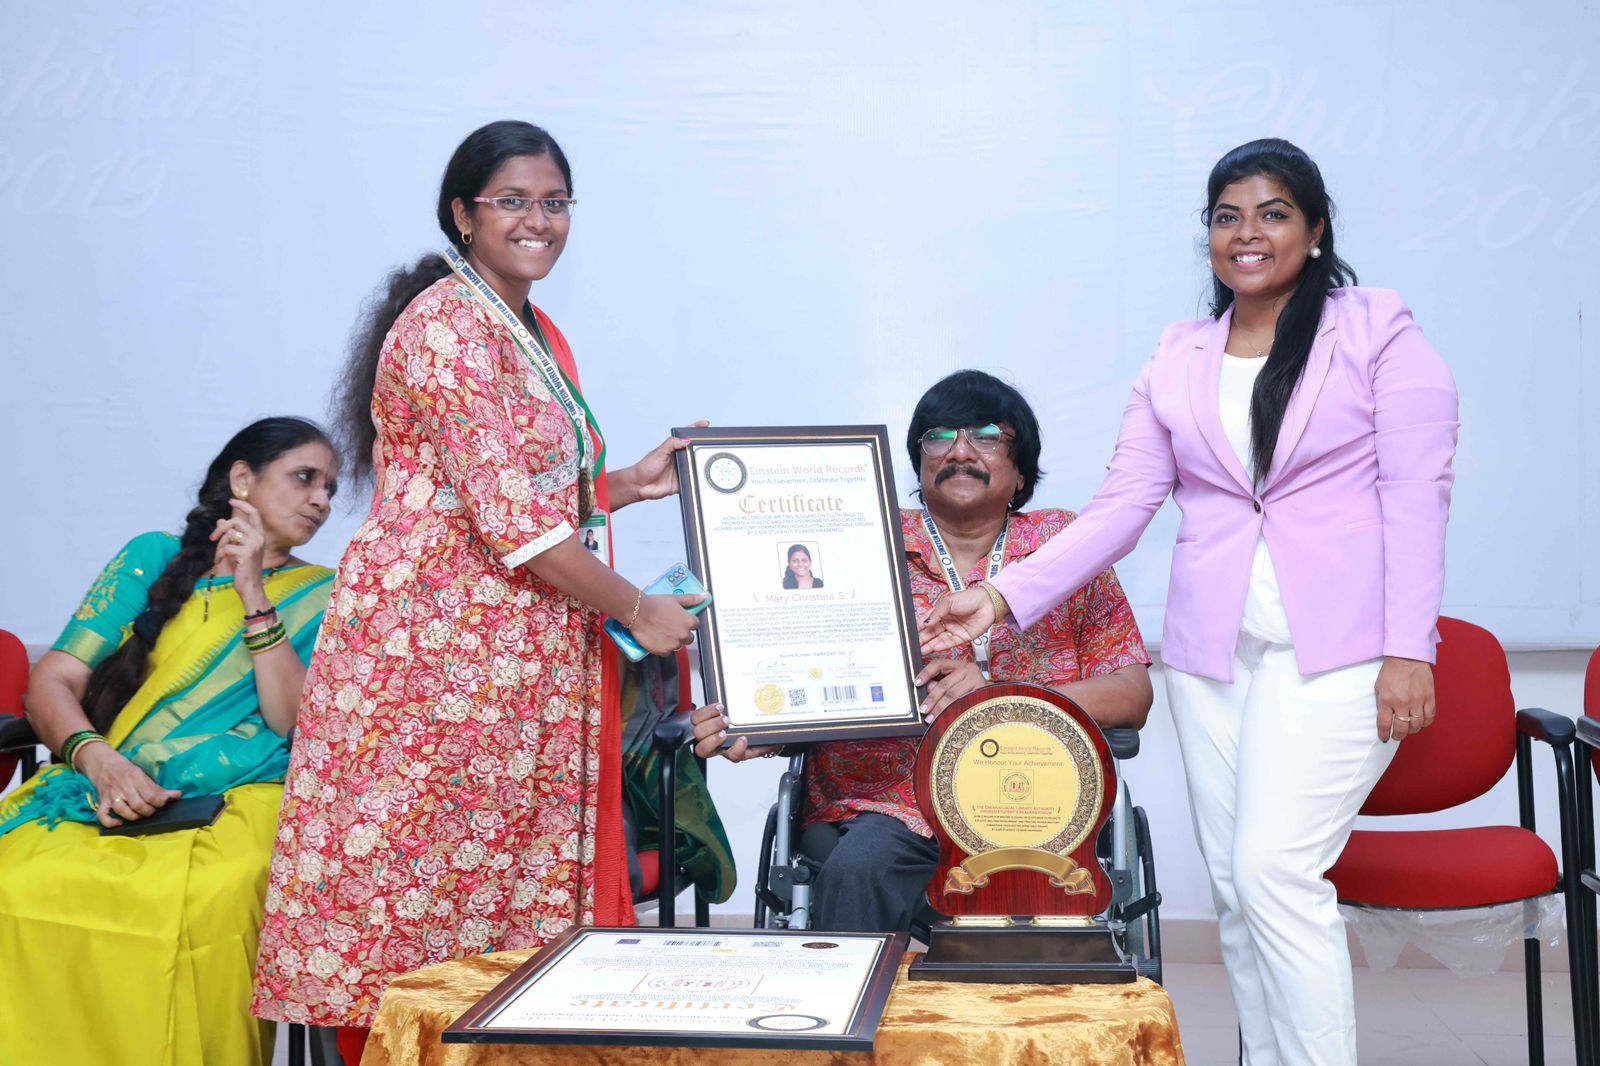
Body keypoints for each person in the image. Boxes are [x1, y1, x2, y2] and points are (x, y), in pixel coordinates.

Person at [922, 139, 1457, 1065]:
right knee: (1239, 896)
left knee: (1276, 872)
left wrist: (1413, 648)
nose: (1247, 234)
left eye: (1273, 213)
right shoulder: (1181, 355)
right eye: (1227, 216)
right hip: (1217, 658)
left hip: (1341, 648)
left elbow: (1419, 494)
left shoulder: (1378, 331)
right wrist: (999, 598)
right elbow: (1125, 504)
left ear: (1316, 229)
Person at [249, 120, 705, 1064]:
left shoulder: (524, 326)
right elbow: (510, 519)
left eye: (554, 202)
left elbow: (507, 489)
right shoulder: (449, 329)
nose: (538, 220)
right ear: (463, 214)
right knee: (413, 903)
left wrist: (631, 482)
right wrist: (633, 607)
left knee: (489, 900)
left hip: (504, 662)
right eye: (513, 201)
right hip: (433, 664)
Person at [693, 371, 1153, 932]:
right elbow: (808, 676)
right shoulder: (859, 545)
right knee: (861, 865)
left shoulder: (1067, 550)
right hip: (890, 810)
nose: (960, 451)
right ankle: (848, 1016)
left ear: (1023, 467)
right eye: (939, 437)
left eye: (986, 435)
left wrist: (1000, 698)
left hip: (1036, 808)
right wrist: (755, 724)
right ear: (918, 462)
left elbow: (1131, 696)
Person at [0, 417, 338, 1066]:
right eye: (304, 477)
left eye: (329, 486)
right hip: (100, 785)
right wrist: (97, 760)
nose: (321, 499)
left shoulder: (326, 592)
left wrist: (253, 593)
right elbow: (52, 683)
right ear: (243, 479)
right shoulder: (152, 557)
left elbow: (289, 719)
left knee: (209, 897)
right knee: (18, 879)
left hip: (243, 798)